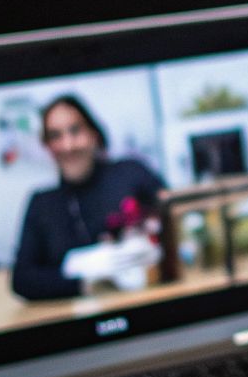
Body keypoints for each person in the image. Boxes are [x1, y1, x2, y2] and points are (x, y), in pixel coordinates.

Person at [11, 95, 166, 301]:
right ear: (47, 146)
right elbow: (22, 279)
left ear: (93, 134)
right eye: (56, 136)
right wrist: (87, 282)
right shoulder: (41, 204)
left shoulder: (132, 173)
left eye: (75, 130)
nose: (68, 145)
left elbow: (176, 223)